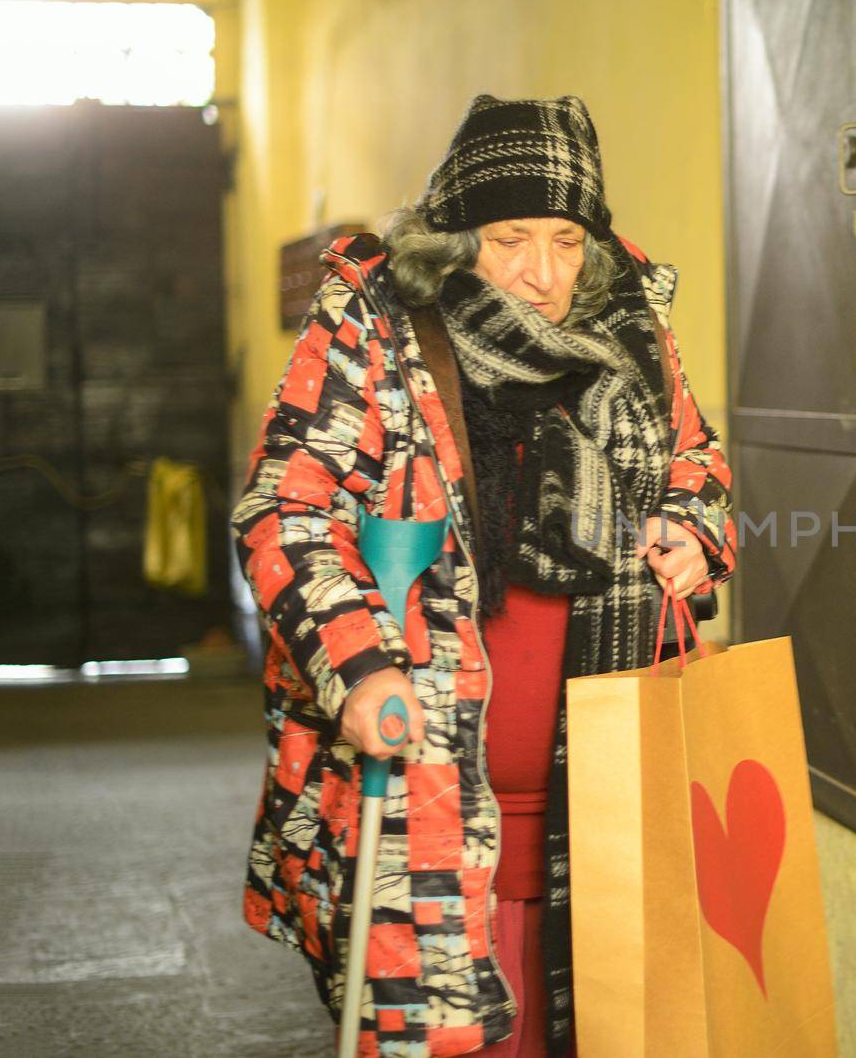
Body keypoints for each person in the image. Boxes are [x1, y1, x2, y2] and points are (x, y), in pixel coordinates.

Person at [231, 93, 738, 1057]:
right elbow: (288, 510)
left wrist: (694, 528)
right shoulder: (376, 324)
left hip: (602, 775)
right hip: (429, 769)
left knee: (611, 1016)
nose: (542, 276)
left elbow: (697, 462)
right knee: (446, 1029)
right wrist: (359, 663)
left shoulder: (627, 325)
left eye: (565, 241)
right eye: (509, 239)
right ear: (458, 233)